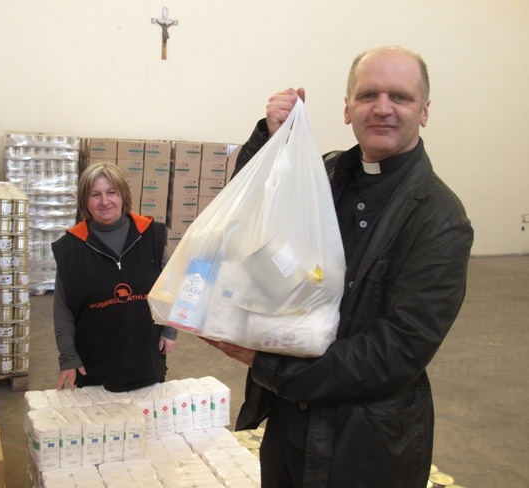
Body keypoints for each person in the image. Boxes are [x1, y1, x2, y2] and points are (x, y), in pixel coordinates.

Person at [203, 46, 474, 487]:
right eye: (368, 95)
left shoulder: (440, 219)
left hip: (367, 444)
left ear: (424, 111)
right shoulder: (323, 173)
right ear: (347, 109)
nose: (382, 108)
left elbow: (395, 353)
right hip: (291, 420)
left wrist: (267, 362)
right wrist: (270, 143)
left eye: (400, 97)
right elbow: (248, 214)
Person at [52, 162, 177, 392]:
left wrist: (170, 330)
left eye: (111, 192)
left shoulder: (150, 235)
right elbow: (63, 309)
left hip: (146, 357)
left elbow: (169, 287)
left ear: (123, 195)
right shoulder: (70, 248)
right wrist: (68, 356)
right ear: (85, 202)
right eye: (95, 195)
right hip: (94, 364)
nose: (105, 202)